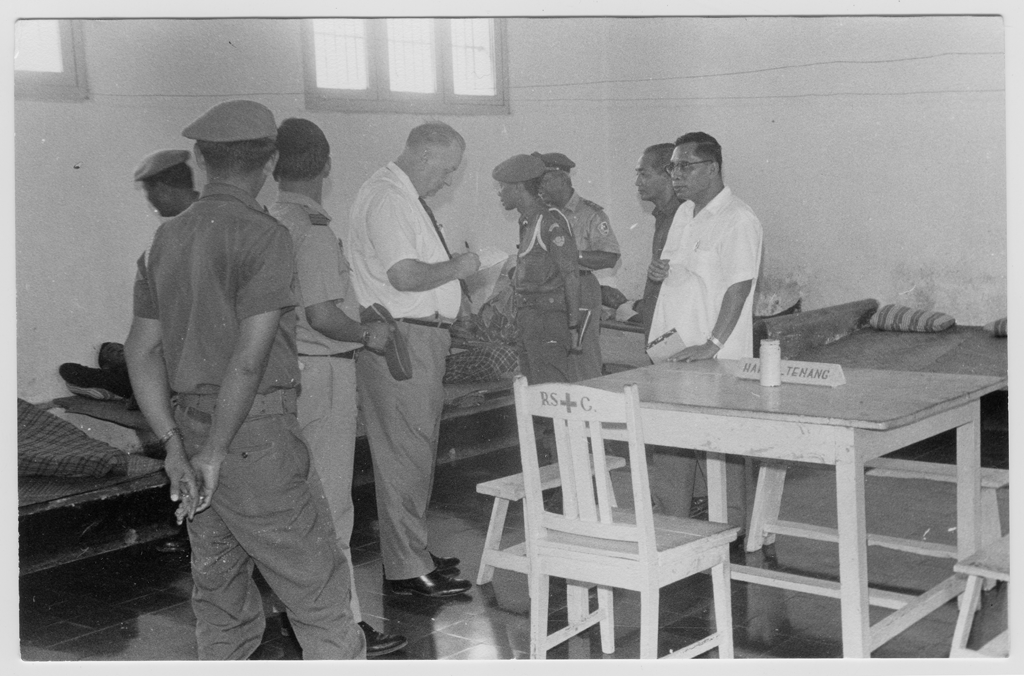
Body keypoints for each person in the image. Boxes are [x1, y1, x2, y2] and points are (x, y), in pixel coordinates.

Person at [125, 100, 365, 660]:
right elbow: (248, 362)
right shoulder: (264, 235)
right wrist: (216, 450)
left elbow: (141, 351)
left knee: (220, 597)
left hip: (191, 431)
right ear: (270, 161)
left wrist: (175, 446)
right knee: (319, 594)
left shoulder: (166, 239)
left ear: (201, 159)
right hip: (254, 440)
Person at [268, 118, 406, 657]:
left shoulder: (270, 219)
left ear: (274, 166)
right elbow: (324, 315)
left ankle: (300, 618)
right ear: (325, 165)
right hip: (323, 375)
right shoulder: (314, 228)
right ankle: (343, 629)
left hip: (284, 371)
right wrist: (368, 334)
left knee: (293, 505)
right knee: (331, 509)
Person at [345, 122, 478, 598]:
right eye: (447, 170)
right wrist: (461, 266)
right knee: (405, 455)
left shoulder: (399, 195)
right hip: (406, 339)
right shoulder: (388, 198)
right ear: (424, 156)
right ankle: (405, 568)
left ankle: (411, 553)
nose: (448, 180)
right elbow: (404, 275)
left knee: (413, 452)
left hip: (420, 337)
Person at [648, 131, 763, 533]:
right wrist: (659, 271)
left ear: (712, 168)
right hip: (674, 349)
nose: (675, 175)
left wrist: (711, 344)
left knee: (721, 445)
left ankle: (733, 531)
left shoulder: (739, 219)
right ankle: (672, 524)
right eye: (672, 167)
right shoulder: (684, 213)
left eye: (685, 166)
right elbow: (676, 270)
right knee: (670, 439)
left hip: (714, 355)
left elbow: (739, 286)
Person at [494, 153, 583, 385]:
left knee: (550, 391)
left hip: (547, 320)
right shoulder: (527, 221)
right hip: (530, 319)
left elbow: (571, 275)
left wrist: (573, 326)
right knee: (533, 391)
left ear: (518, 187)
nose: (499, 193)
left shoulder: (549, 221)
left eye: (502, 186)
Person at [535, 152, 619, 381]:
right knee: (552, 357)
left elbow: (610, 256)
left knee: (582, 355)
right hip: (549, 290)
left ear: (563, 180)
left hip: (581, 287)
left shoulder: (589, 213)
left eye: (544, 181)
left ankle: (591, 399)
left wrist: (570, 256)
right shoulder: (542, 214)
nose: (539, 187)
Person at [633, 143, 682, 341]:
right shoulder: (662, 215)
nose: (637, 182)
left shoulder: (686, 216)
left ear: (668, 175)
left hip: (677, 326)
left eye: (644, 174)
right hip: (658, 323)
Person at [134, 149, 200, 218]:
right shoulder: (205, 211)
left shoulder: (183, 223)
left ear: (162, 190)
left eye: (148, 191)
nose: (149, 199)